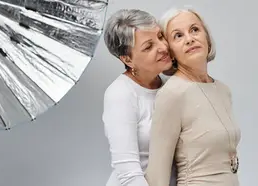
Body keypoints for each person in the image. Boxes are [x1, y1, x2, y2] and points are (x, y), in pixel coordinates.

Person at [145, 7, 241, 186]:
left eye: (194, 30)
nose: (189, 39)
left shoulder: (223, 90)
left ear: (207, 38)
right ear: (170, 52)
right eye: (178, 36)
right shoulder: (172, 94)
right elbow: (157, 176)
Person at [101, 9, 176, 186]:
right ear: (128, 60)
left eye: (160, 36)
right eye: (148, 46)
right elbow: (128, 173)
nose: (163, 47)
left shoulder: (170, 87)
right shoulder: (120, 94)